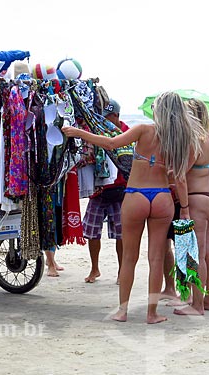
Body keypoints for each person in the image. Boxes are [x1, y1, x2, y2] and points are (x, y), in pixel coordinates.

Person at [62, 91, 201, 324]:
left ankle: (122, 311)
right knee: (156, 258)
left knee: (129, 257)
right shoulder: (180, 140)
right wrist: (185, 209)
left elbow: (111, 143)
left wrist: (78, 132)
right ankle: (151, 313)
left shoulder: (144, 130)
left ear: (160, 110)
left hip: (135, 195)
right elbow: (181, 178)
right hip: (162, 197)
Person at [173, 99, 209, 316]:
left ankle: (197, 305)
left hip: (198, 198)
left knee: (197, 254)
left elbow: (181, 176)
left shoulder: (194, 139)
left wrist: (183, 205)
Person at [81, 99, 129, 284]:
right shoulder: (97, 129)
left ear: (116, 116)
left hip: (120, 189)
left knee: (121, 234)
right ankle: (95, 268)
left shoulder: (126, 132)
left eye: (108, 117)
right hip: (98, 190)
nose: (105, 121)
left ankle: (121, 271)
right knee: (92, 232)